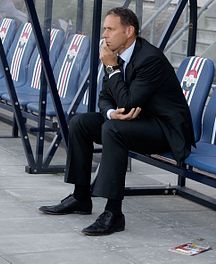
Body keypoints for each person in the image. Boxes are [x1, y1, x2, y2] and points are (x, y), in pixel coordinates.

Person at [39, 7, 195, 236]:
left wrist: (112, 68)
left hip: (165, 129)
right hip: (134, 121)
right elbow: (105, 96)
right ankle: (81, 197)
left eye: (110, 29)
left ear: (129, 31)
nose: (105, 35)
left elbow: (129, 101)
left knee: (113, 130)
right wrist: (112, 113)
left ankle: (114, 213)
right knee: (80, 123)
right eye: (104, 29)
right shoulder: (116, 53)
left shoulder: (149, 59)